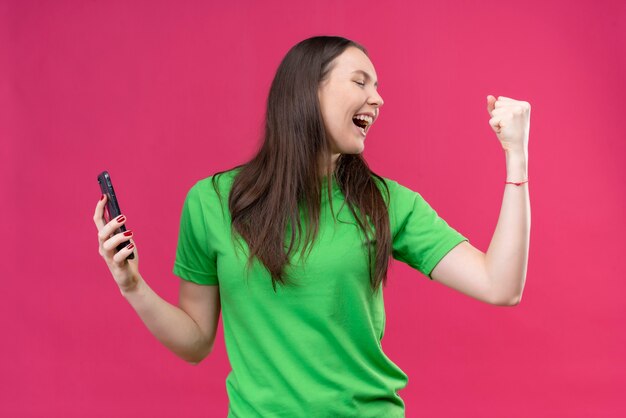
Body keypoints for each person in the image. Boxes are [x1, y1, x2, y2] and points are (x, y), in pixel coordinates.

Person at [93, 36, 530, 418]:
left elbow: (500, 285)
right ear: (308, 90)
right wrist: (132, 286)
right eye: (361, 82)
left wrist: (517, 155)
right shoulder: (211, 202)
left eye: (377, 86)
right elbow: (195, 342)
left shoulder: (387, 202)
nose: (378, 99)